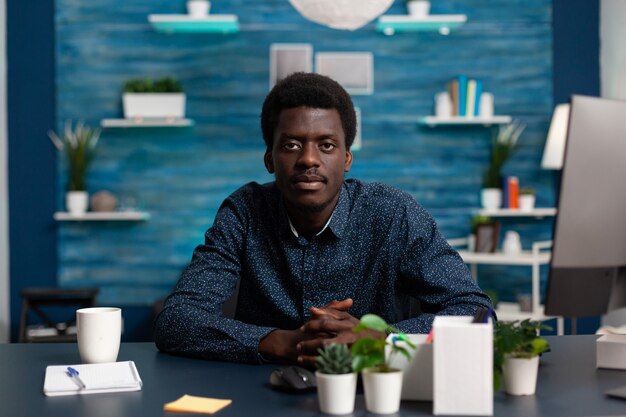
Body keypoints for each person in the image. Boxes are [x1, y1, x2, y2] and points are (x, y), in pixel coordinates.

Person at [154, 72, 492, 365]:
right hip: (259, 394)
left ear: (347, 158)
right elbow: (177, 320)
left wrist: (380, 337)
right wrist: (280, 342)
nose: (309, 159)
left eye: (327, 145)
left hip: (372, 392)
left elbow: (477, 313)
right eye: (291, 145)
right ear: (270, 159)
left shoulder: (395, 214)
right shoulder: (244, 211)